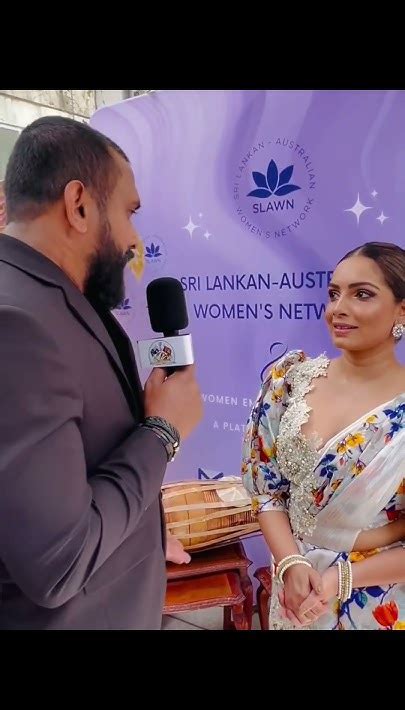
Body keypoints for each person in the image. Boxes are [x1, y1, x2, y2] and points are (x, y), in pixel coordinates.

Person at [0, 116, 202, 630]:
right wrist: (162, 432)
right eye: (129, 212)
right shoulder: (17, 323)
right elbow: (60, 562)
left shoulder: (53, 298)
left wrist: (145, 533)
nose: (134, 239)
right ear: (79, 205)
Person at [242, 242, 405, 630]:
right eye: (334, 294)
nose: (338, 309)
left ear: (402, 310)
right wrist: (291, 563)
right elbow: (266, 491)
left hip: (377, 598)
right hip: (294, 590)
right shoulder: (289, 381)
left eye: (361, 294)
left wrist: (338, 579)